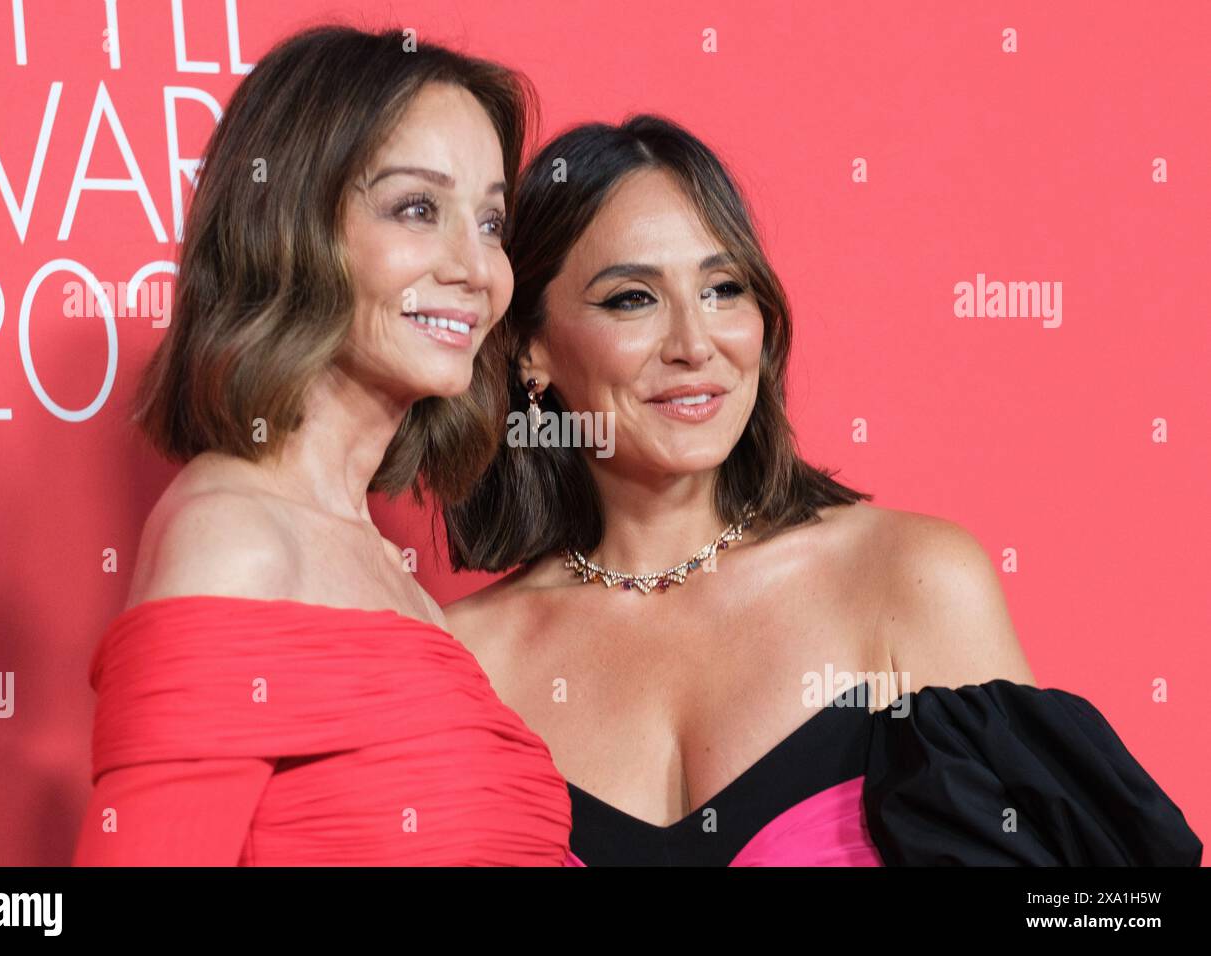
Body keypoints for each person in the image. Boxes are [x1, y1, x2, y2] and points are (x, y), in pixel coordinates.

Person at [441, 115, 1203, 866]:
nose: (695, 344)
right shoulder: (467, 664)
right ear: (529, 350)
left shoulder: (908, 581)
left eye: (723, 288)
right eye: (632, 298)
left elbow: (1105, 913)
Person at [73, 25, 570, 866]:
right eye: (418, 209)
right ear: (291, 223)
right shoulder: (235, 539)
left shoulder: (383, 568)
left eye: (490, 222)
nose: (476, 268)